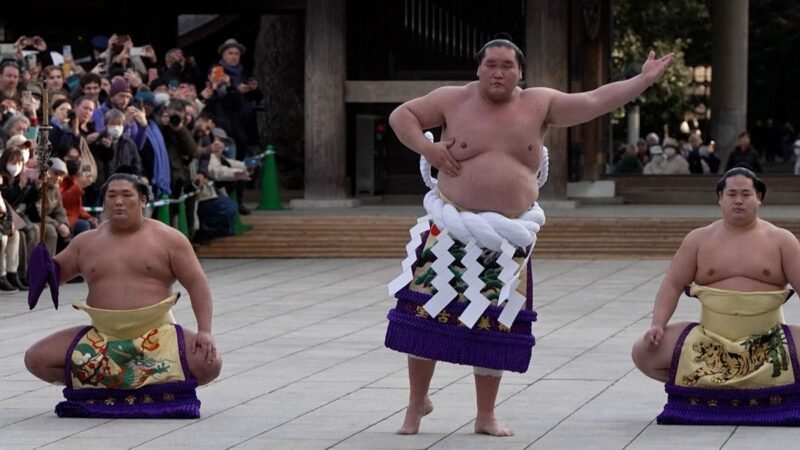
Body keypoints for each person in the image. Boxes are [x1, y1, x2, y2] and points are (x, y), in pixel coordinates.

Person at [384, 36, 672, 437]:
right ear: (478, 69)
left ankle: (485, 414)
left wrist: (641, 80)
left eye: (507, 65)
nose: (498, 72)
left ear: (520, 72)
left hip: (507, 240)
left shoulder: (541, 104)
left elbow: (595, 101)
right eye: (491, 65)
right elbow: (403, 116)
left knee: (496, 326)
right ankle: (416, 406)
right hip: (451, 228)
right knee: (424, 316)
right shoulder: (453, 99)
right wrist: (428, 150)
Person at [24, 173, 221, 418]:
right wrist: (41, 264)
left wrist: (205, 331)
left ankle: (119, 386)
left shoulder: (170, 239)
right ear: (104, 202)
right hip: (102, 337)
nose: (119, 202)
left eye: (126, 195)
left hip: (157, 335)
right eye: (112, 196)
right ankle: (111, 388)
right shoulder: (85, 242)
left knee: (209, 362)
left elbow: (197, 284)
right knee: (36, 359)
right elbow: (54, 276)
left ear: (143, 201)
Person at [631, 168, 800, 425]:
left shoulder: (781, 240)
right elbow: (672, 283)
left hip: (770, 341)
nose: (739, 200)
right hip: (709, 342)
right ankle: (710, 389)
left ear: (759, 198)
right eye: (731, 194)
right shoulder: (698, 240)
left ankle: (745, 389)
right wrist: (657, 323)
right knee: (643, 352)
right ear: (720, 198)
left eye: (746, 194)